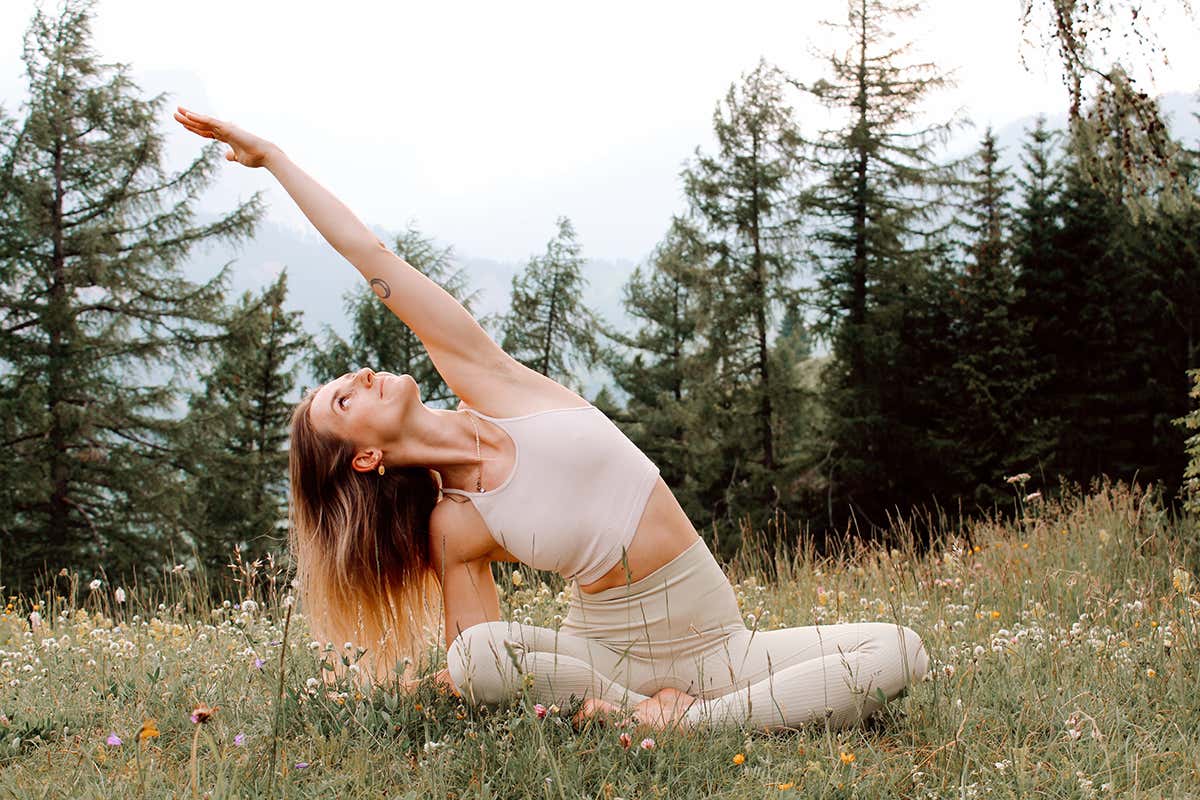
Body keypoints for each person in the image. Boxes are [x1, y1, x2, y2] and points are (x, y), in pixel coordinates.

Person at [173, 106, 930, 732]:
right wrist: (418, 689)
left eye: (348, 378)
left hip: (720, 642)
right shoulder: (455, 525)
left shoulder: (490, 382)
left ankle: (687, 723)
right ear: (364, 460)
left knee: (903, 652)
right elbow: (477, 666)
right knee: (475, 660)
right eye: (345, 400)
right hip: (603, 659)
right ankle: (653, 716)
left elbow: (372, 258)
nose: (363, 376)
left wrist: (272, 157)